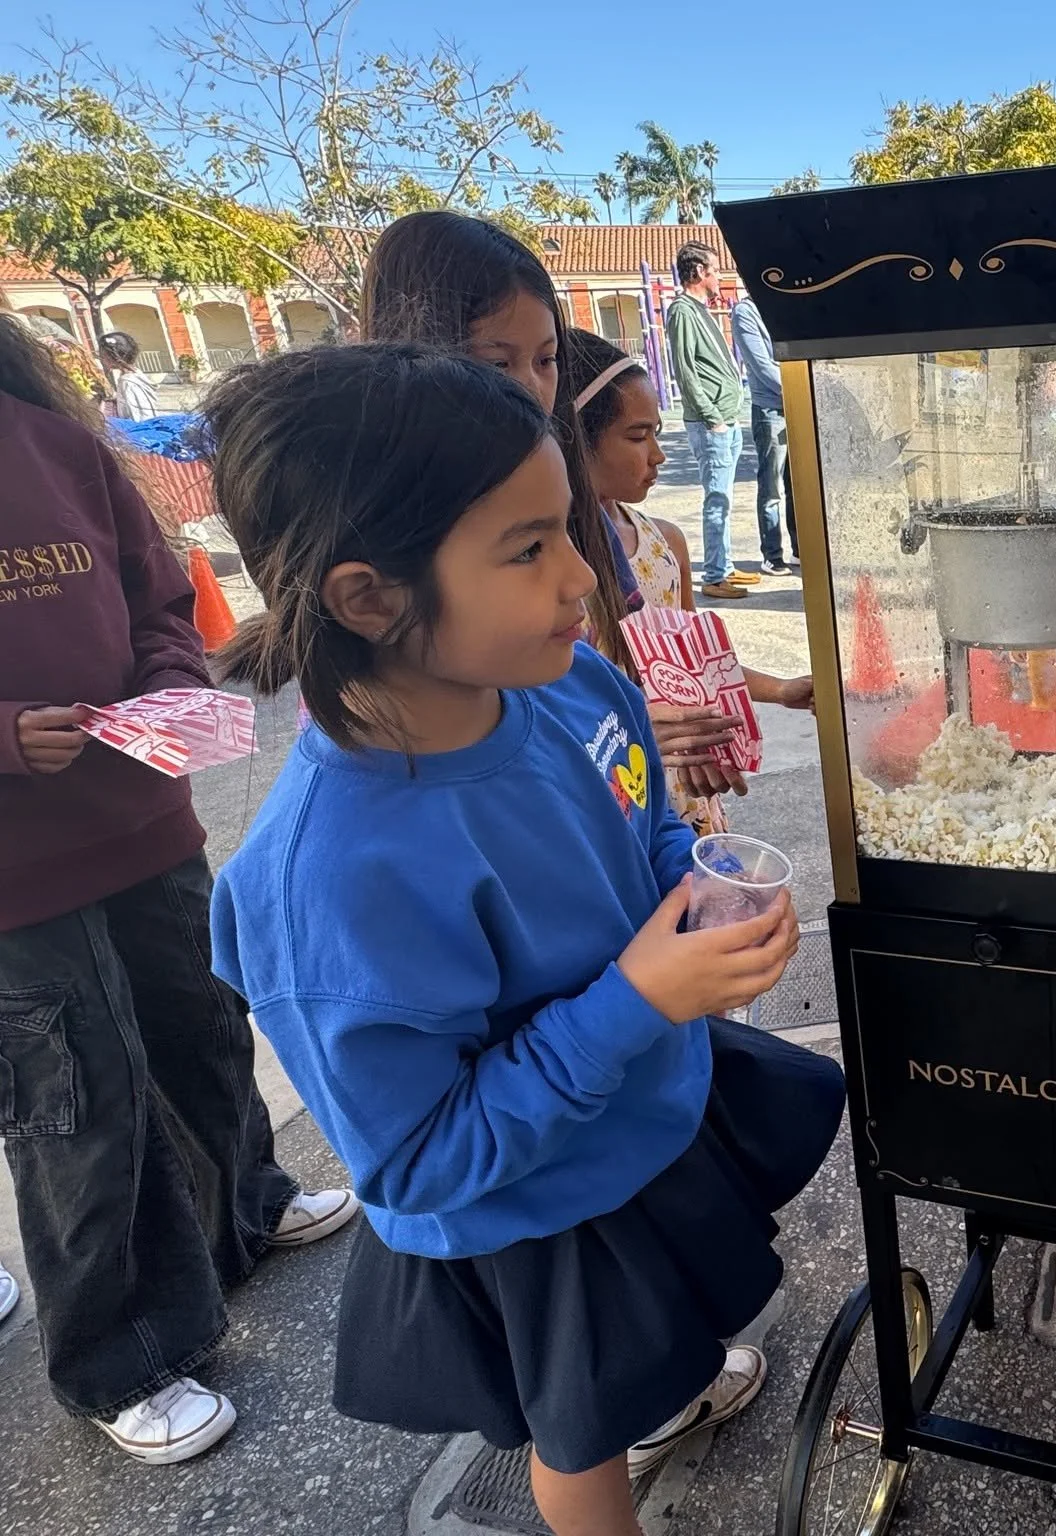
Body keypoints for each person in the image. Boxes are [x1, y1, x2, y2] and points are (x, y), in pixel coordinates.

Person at [205, 343, 844, 1536]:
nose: (580, 576)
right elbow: (419, 1159)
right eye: (528, 548)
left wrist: (693, 887)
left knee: (663, 1313)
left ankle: (675, 1377)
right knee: (581, 1428)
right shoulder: (331, 879)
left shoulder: (569, 688)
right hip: (533, 1202)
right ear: (368, 597)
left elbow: (644, 817)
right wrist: (637, 999)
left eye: (568, 529)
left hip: (637, 1102)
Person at [0, 313, 358, 1465]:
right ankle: (119, 1358)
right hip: (14, 875)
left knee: (203, 1021)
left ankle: (242, 1207)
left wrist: (162, 687)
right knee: (78, 1104)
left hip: (143, 817)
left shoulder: (58, 445)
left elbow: (161, 599)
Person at [358, 210, 644, 659]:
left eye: (546, 360)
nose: (531, 390)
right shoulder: (388, 533)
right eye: (497, 364)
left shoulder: (566, 488)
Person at [561, 329, 814, 832]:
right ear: (575, 442)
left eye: (656, 433)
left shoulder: (665, 544)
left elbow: (698, 667)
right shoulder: (562, 570)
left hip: (686, 795)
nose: (658, 454)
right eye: (637, 437)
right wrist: (636, 729)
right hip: (615, 801)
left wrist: (781, 690)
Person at [664, 243, 754, 599]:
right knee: (717, 500)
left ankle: (724, 566)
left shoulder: (700, 311)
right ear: (700, 272)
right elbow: (685, 370)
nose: (719, 277)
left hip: (727, 420)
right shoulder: (682, 312)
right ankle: (714, 576)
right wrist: (713, 417)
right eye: (715, 270)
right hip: (712, 423)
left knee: (725, 500)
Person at [729, 293, 794, 572]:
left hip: (797, 407)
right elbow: (762, 366)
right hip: (771, 410)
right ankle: (772, 554)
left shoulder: (781, 304)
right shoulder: (745, 313)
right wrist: (797, 389)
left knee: (798, 484)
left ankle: (801, 548)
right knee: (772, 485)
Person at [99, 330, 161, 421]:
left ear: (111, 357)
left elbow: (138, 416)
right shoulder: (135, 373)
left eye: (102, 355)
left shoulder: (128, 382)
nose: (101, 359)